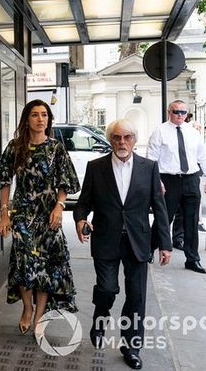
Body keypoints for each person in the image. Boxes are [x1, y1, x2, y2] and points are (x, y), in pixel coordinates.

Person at [74, 119, 172, 370]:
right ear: (110, 140)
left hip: (139, 241)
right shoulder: (96, 168)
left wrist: (165, 244)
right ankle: (100, 317)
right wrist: (81, 219)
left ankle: (131, 347)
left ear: (134, 140)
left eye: (127, 137)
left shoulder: (148, 167)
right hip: (106, 239)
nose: (122, 142)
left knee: (137, 297)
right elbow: (84, 202)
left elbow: (159, 208)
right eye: (117, 137)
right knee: (107, 290)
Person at [0, 99, 80, 334]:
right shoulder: (15, 147)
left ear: (49, 119)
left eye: (44, 115)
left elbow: (66, 181)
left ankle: (39, 316)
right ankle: (27, 308)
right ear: (26, 120)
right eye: (35, 115)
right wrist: (4, 214)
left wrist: (59, 207)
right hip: (22, 214)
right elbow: (4, 180)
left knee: (46, 266)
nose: (40, 119)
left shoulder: (56, 148)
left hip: (49, 215)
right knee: (24, 263)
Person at [147, 100, 206, 274]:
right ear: (169, 112)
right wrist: (157, 182)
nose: (180, 115)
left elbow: (204, 157)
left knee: (191, 221)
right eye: (176, 112)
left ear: (187, 114)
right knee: (164, 218)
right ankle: (149, 250)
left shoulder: (193, 133)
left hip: (191, 179)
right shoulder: (160, 132)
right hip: (169, 180)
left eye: (183, 112)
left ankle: (192, 259)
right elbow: (151, 159)